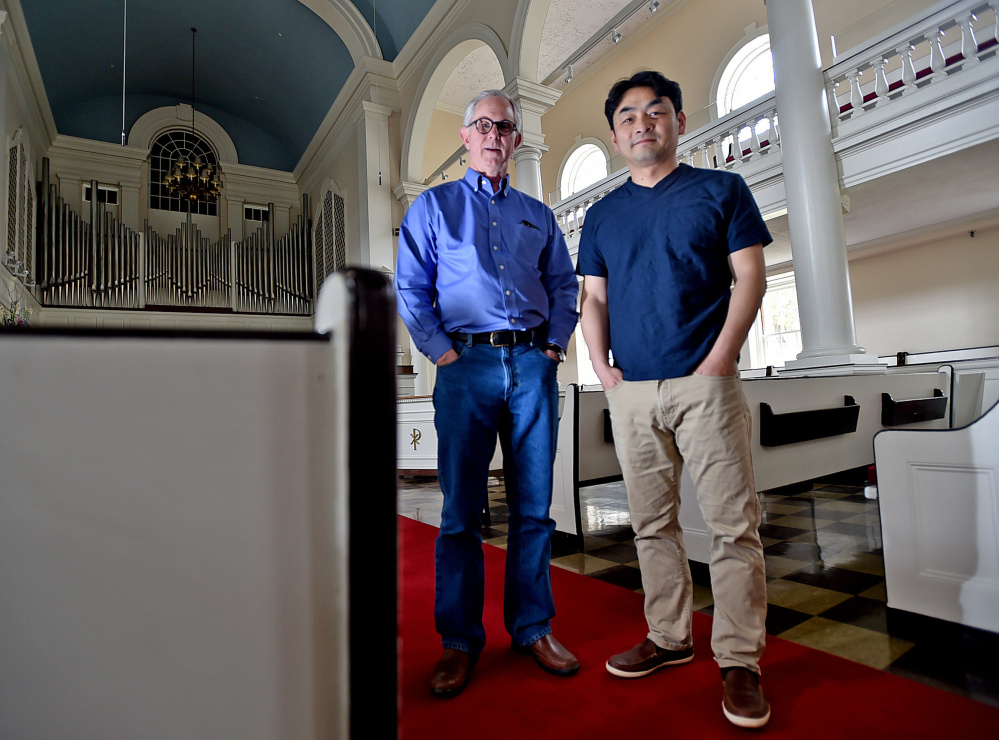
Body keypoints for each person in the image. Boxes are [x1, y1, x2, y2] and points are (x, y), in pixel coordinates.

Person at [577, 71, 772, 729]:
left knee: (729, 526)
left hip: (705, 385)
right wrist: (601, 369)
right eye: (628, 116)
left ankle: (739, 661)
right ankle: (667, 636)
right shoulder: (602, 215)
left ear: (678, 121)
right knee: (650, 524)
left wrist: (718, 361)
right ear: (614, 135)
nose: (641, 124)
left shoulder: (721, 190)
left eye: (654, 112)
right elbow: (594, 298)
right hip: (632, 392)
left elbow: (750, 277)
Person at [395, 90, 580, 698]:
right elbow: (411, 286)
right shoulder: (432, 208)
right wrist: (444, 353)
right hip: (466, 364)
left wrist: (551, 348)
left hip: (532, 364)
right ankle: (458, 640)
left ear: (516, 139)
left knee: (534, 507)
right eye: (483, 126)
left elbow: (561, 284)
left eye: (504, 127)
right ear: (465, 137)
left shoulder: (538, 214)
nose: (494, 136)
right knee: (459, 513)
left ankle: (532, 627)